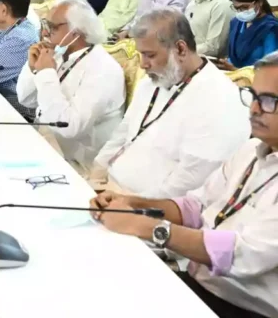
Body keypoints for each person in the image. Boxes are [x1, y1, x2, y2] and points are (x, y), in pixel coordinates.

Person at [90, 51, 278, 318]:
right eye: (254, 96)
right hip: (198, 284)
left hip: (239, 307)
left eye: (269, 100)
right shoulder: (251, 150)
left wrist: (148, 226)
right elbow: (196, 206)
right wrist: (134, 204)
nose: (255, 109)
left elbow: (242, 254)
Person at [90, 9, 250, 198]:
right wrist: (97, 169)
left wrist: (131, 202)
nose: (142, 65)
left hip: (148, 205)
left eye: (150, 55)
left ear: (181, 49)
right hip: (110, 187)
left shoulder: (218, 98)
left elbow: (190, 181)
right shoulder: (156, 79)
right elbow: (124, 131)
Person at [17, 0, 125, 174]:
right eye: (45, 25)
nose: (45, 33)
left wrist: (46, 73)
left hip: (77, 164)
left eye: (52, 27)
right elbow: (26, 99)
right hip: (47, 144)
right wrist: (32, 67)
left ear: (76, 31)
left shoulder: (103, 69)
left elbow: (68, 127)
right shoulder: (59, 54)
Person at [219, 0, 278, 70]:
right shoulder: (236, 23)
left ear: (260, 2)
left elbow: (270, 68)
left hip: (257, 77)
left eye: (245, 7)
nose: (241, 11)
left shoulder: (270, 28)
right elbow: (233, 57)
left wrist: (236, 70)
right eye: (237, 8)